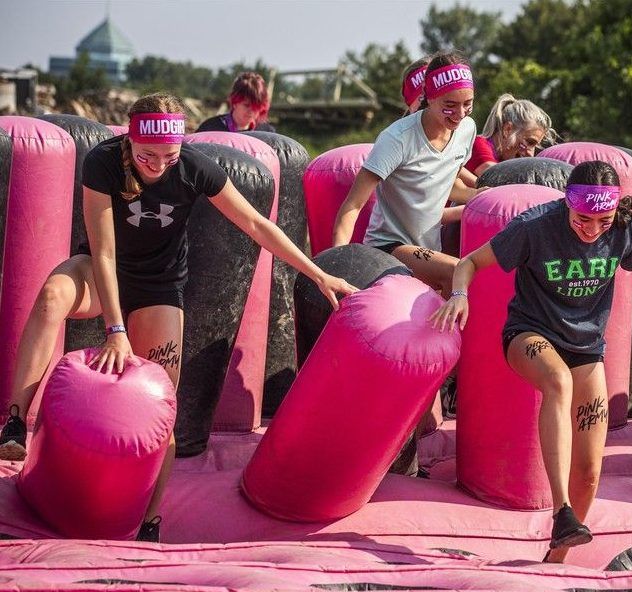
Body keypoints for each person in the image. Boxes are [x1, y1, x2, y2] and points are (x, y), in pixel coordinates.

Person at [0, 93, 358, 542]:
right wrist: (115, 329)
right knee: (53, 295)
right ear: (130, 140)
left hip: (159, 287)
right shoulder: (103, 161)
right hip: (101, 268)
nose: (158, 165)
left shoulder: (194, 167)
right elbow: (105, 252)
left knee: (161, 409)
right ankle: (16, 421)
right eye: (147, 156)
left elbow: (256, 225)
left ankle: (149, 520)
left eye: (168, 156)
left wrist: (318, 273)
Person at [430, 160, 632, 562]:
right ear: (568, 203)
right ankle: (561, 509)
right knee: (558, 382)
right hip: (530, 335)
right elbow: (470, 262)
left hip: (586, 348)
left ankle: (557, 557)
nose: (593, 229)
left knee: (591, 469)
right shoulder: (535, 226)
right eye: (583, 219)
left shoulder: (624, 227)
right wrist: (460, 295)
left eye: (603, 221)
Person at [332, 51, 482, 294]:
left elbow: (445, 184)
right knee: (457, 271)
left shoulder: (467, 129)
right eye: (450, 106)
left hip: (429, 249)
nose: (460, 114)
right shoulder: (397, 139)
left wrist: (482, 195)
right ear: (429, 97)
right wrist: (338, 263)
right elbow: (353, 205)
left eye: (468, 104)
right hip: (388, 247)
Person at [465, 93, 555, 177]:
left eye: (535, 146)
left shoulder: (503, 159)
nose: (530, 154)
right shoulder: (478, 144)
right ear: (507, 129)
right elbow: (495, 177)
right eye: (529, 142)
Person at [196, 72, 276, 133]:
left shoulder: (267, 133)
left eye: (256, 106)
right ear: (234, 102)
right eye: (246, 105)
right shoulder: (210, 128)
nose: (251, 111)